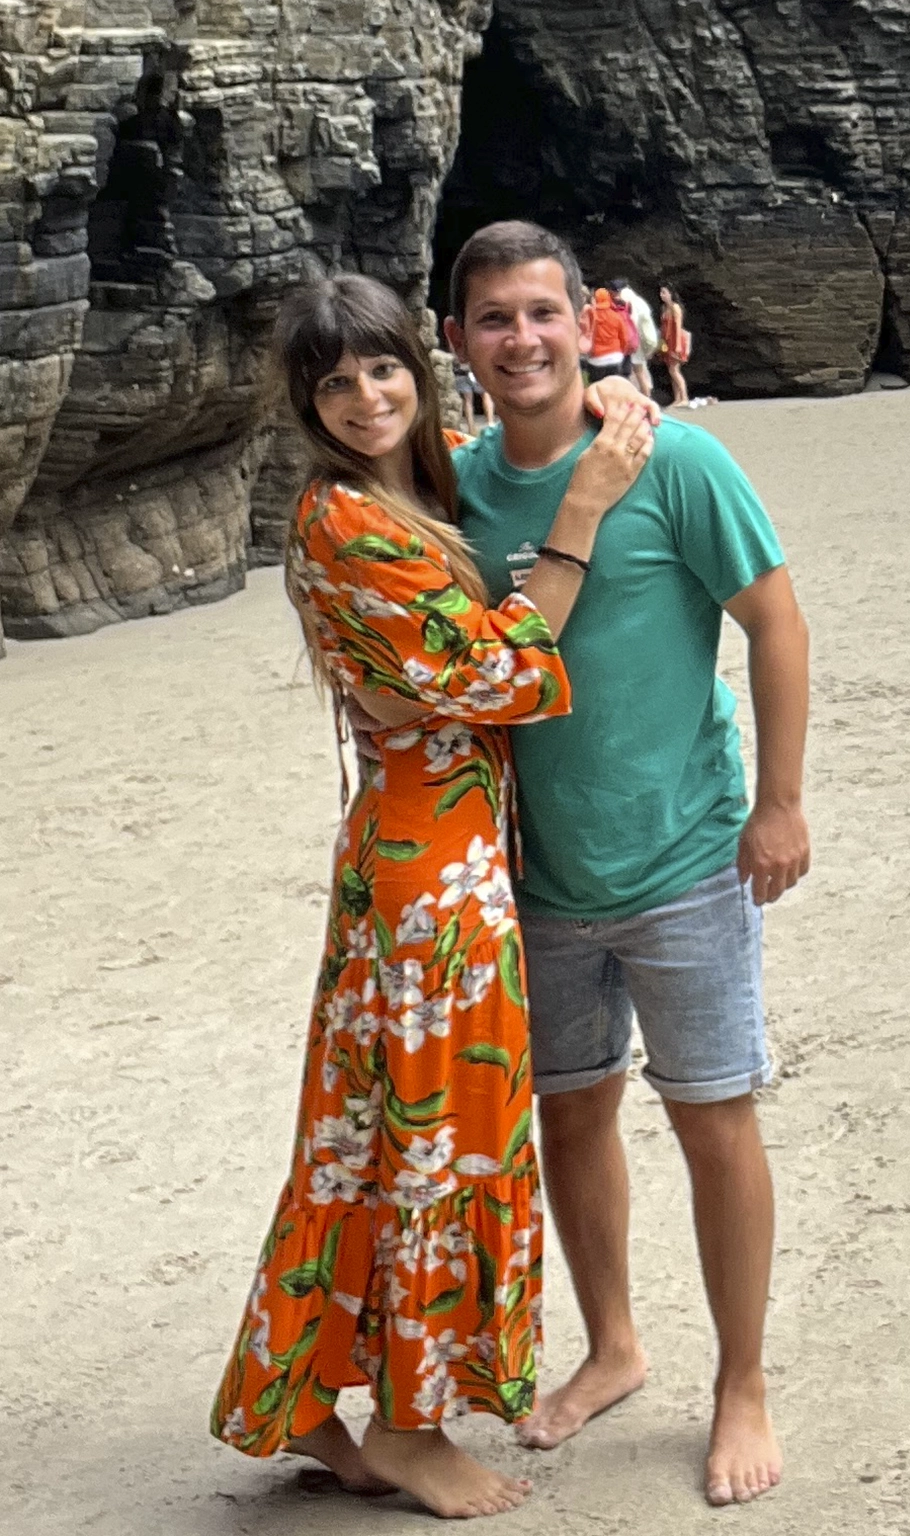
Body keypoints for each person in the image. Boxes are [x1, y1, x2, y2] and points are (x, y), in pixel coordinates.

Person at [209, 272, 653, 1520]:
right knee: (435, 1140)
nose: (365, 398)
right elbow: (502, 675)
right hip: (427, 881)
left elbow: (536, 402)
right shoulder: (346, 521)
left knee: (367, 1137)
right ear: (304, 400)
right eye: (334, 382)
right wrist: (582, 509)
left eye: (383, 369)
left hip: (427, 853)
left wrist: (608, 388)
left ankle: (312, 1403)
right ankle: (407, 1426)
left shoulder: (421, 485)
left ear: (422, 363)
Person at [443, 221, 810, 1507]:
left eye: (543, 313)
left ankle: (741, 1384)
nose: (522, 338)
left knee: (712, 1116)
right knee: (574, 1108)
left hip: (686, 858)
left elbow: (772, 619)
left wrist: (778, 805)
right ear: (459, 342)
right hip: (535, 876)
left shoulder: (677, 458)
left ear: (582, 324)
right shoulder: (454, 489)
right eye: (495, 318)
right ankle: (611, 1345)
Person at [608, 277, 657, 397]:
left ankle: (647, 399)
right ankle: (646, 398)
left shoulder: (629, 303)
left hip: (635, 341)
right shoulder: (639, 301)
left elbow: (631, 323)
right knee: (639, 372)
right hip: (644, 340)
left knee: (638, 372)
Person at [585, 286, 634, 382]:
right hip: (615, 357)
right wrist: (622, 351)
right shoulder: (616, 316)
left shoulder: (590, 316)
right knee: (614, 387)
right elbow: (624, 337)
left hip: (596, 358)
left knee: (596, 388)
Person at [658, 284, 691, 406]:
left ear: (671, 294)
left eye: (664, 293)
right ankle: (677, 398)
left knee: (674, 369)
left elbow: (678, 327)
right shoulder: (664, 308)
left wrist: (677, 346)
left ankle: (684, 397)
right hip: (667, 341)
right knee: (671, 370)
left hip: (676, 340)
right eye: (661, 293)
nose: (662, 295)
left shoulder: (675, 308)